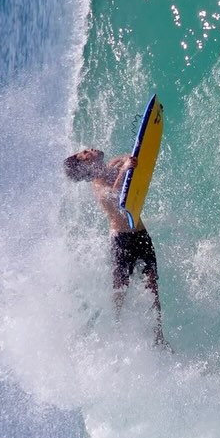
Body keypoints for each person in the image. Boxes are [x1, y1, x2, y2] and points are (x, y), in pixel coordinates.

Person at [64, 147, 165, 345]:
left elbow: (129, 157)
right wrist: (126, 169)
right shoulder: (97, 185)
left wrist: (128, 161)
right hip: (121, 241)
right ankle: (117, 331)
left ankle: (159, 335)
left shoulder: (111, 166)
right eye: (84, 153)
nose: (89, 150)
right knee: (121, 291)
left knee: (152, 286)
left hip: (140, 234)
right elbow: (117, 195)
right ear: (85, 165)